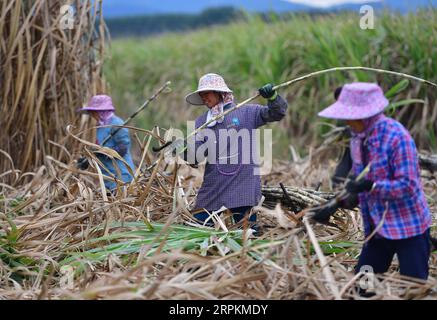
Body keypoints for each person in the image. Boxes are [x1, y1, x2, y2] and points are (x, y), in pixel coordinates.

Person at [311, 82, 432, 283]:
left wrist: (372, 186)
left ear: (366, 115)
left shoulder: (397, 137)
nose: (347, 121)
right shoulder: (357, 138)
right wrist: (335, 206)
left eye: (351, 117)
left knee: (413, 288)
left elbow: (409, 186)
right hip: (377, 230)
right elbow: (358, 185)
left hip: (410, 228)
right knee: (363, 287)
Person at [183, 73, 288, 234]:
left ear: (220, 93)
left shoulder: (246, 112)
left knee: (246, 232)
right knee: (200, 227)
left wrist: (273, 97)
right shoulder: (202, 122)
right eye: (201, 94)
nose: (204, 98)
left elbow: (276, 113)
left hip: (243, 181)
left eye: (207, 93)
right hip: (215, 183)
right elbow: (195, 159)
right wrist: (185, 151)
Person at [77, 95, 135, 191]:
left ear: (101, 112)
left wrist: (102, 152)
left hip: (121, 175)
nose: (92, 115)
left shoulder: (117, 124)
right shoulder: (100, 127)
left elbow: (123, 148)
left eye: (94, 113)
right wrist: (88, 159)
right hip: (107, 176)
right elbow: (99, 146)